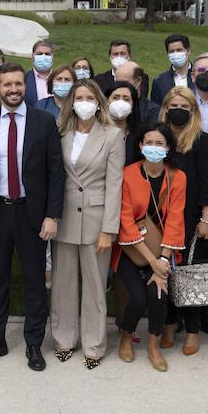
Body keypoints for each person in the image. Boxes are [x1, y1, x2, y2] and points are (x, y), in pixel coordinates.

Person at [0, 63, 65, 371]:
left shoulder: (43, 122)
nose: (13, 90)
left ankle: (34, 344)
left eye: (17, 84)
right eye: (6, 84)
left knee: (35, 281)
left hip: (32, 213)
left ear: (24, 86)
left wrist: (52, 215)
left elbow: (55, 173)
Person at [49, 80, 123, 369]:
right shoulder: (60, 132)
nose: (84, 102)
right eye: (78, 97)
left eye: (89, 97)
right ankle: (64, 339)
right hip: (65, 217)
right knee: (63, 285)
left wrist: (109, 229)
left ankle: (94, 344)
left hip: (96, 221)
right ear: (71, 102)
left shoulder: (113, 135)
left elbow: (115, 184)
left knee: (94, 286)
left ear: (99, 102)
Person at [115, 123, 188, 371]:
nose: (153, 148)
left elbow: (176, 220)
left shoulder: (178, 177)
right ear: (140, 146)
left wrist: (163, 261)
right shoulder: (128, 174)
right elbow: (125, 220)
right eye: (148, 143)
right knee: (136, 299)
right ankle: (126, 336)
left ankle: (153, 346)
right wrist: (152, 261)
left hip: (163, 251)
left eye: (159, 144)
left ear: (168, 147)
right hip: (131, 250)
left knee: (159, 296)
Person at [158, 87, 208, 349]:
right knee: (167, 272)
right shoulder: (157, 138)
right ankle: (170, 324)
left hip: (190, 218)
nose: (179, 110)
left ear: (193, 111)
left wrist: (206, 218)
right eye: (174, 105)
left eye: (185, 106)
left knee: (189, 274)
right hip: (160, 217)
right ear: (165, 108)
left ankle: (193, 330)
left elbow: (207, 182)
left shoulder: (202, 141)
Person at [150, 34, 195, 105]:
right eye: (171, 51)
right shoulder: (159, 82)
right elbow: (156, 109)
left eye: (179, 50)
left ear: (188, 51)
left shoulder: (200, 77)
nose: (175, 54)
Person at [23, 39, 56, 105]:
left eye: (47, 54)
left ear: (52, 57)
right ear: (32, 57)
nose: (43, 57)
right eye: (39, 54)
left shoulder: (60, 79)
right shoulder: (24, 79)